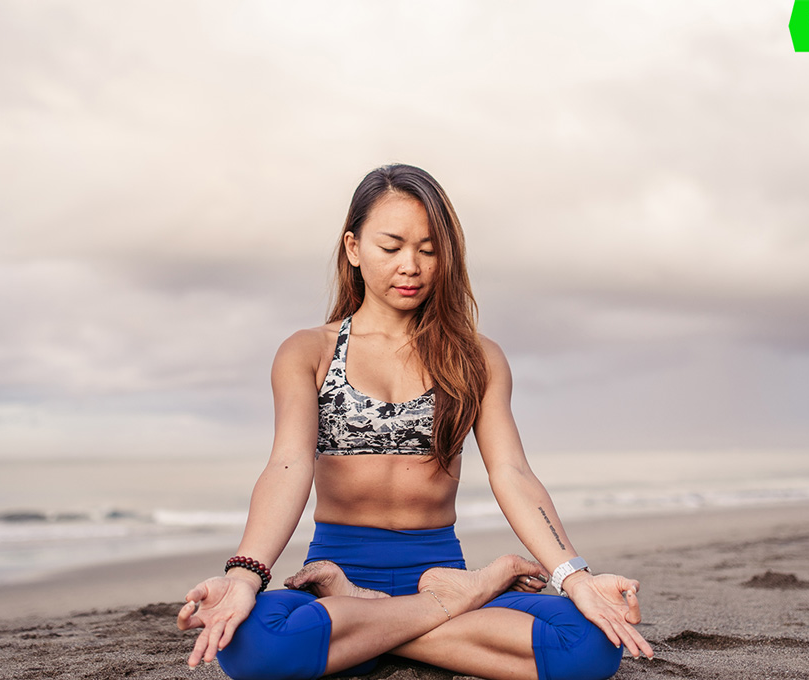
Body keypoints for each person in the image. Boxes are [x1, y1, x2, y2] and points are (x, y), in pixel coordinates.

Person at [176, 164, 655, 680]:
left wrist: (576, 578)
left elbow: (512, 473)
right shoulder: (308, 352)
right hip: (344, 571)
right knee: (249, 646)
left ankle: (369, 629)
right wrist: (245, 576)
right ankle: (441, 609)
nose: (412, 266)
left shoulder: (477, 358)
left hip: (435, 571)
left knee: (591, 645)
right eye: (392, 247)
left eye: (428, 250)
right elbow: (288, 465)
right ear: (354, 249)